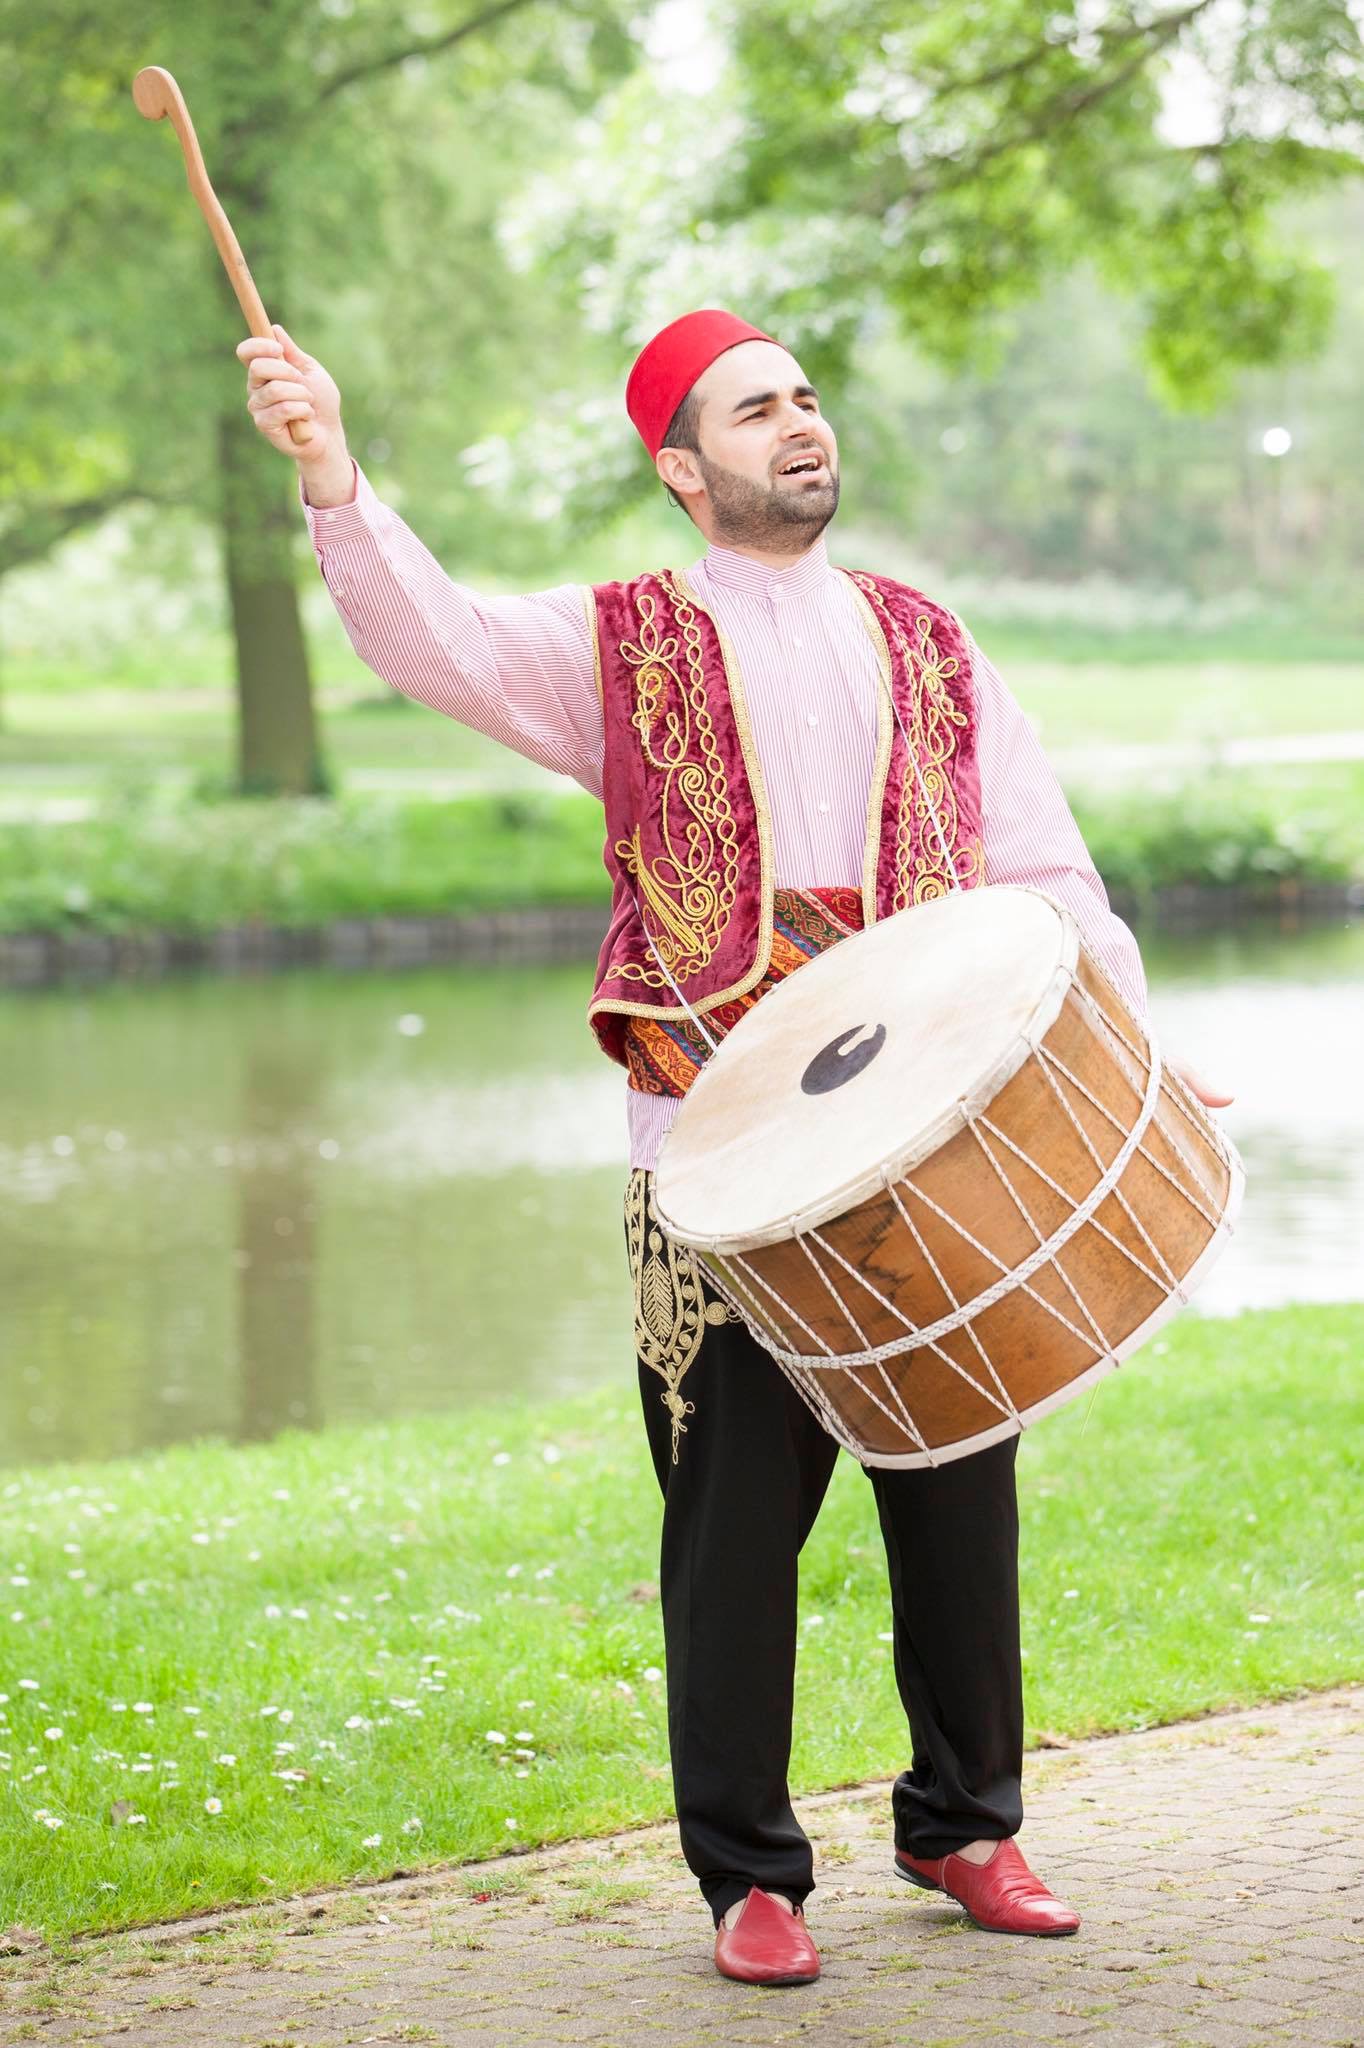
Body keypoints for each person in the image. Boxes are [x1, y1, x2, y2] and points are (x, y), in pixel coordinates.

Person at [238, 309, 1232, 1988]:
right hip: (712, 1156)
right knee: (730, 1526)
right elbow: (440, 642)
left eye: (807, 397)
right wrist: (333, 470)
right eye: (757, 409)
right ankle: (750, 1877)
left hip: (929, 1144)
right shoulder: (615, 646)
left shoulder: (930, 639)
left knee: (960, 1495)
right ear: (683, 468)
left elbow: (1045, 871)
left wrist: (1129, 1040)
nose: (800, 423)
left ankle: (967, 1825)